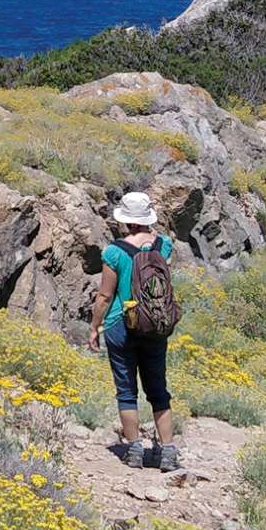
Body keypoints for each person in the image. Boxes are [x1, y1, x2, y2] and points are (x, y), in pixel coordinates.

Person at [87, 191, 178, 470]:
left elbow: (105, 295)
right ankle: (168, 452)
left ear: (126, 220)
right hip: (154, 325)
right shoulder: (164, 246)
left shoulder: (114, 252)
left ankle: (134, 449)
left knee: (126, 390)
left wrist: (94, 327)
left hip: (120, 324)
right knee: (158, 390)